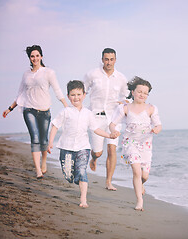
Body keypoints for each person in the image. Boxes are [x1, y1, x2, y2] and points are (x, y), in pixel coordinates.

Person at [47, 80, 119, 208]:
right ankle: (74, 177)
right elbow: (55, 126)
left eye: (79, 94)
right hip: (66, 147)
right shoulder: (65, 112)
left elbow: (96, 129)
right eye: (73, 95)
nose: (76, 98)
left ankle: (83, 199)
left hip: (83, 147)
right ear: (68, 96)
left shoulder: (88, 113)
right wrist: (50, 142)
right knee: (69, 176)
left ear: (84, 95)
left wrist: (109, 135)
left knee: (82, 170)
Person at [2, 45, 67, 179]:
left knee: (43, 139)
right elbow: (20, 93)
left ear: (41, 57)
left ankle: (43, 162)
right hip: (29, 109)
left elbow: (57, 90)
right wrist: (10, 108)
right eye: (32, 56)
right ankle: (38, 170)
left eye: (37, 56)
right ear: (30, 58)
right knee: (35, 138)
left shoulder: (49, 72)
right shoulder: (26, 74)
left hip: (44, 111)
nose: (35, 58)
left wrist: (67, 106)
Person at [110, 76, 162, 211]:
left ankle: (141, 184)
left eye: (145, 93)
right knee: (137, 172)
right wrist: (114, 131)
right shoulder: (125, 108)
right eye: (140, 92)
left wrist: (156, 129)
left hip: (145, 145)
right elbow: (113, 124)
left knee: (144, 175)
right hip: (130, 143)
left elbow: (158, 125)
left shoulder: (151, 108)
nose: (142, 95)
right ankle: (140, 201)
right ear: (133, 92)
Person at [84, 48, 129, 191]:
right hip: (96, 117)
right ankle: (94, 158)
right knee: (98, 152)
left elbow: (126, 96)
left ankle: (109, 182)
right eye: (106, 59)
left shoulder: (121, 78)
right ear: (102, 59)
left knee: (112, 149)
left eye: (111, 59)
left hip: (114, 118)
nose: (109, 62)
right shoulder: (92, 74)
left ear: (115, 60)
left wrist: (125, 103)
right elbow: (83, 91)